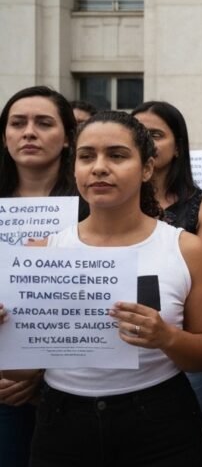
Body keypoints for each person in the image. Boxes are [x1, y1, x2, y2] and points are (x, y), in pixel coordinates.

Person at [2, 110, 202, 465]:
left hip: (160, 419)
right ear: (74, 168)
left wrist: (166, 337)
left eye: (117, 155)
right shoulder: (41, 253)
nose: (99, 167)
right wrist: (6, 333)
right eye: (87, 156)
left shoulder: (185, 249)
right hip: (63, 420)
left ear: (147, 168)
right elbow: (22, 372)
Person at [0, 86, 80, 467]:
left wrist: (38, 372)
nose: (28, 132)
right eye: (18, 123)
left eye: (43, 123)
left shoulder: (95, 210)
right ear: (4, 136)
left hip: (71, 386)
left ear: (67, 138)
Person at [133, 101, 202, 422]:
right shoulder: (110, 209)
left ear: (178, 148)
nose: (146, 142)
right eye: (138, 134)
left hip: (182, 351)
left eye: (155, 134)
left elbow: (201, 288)